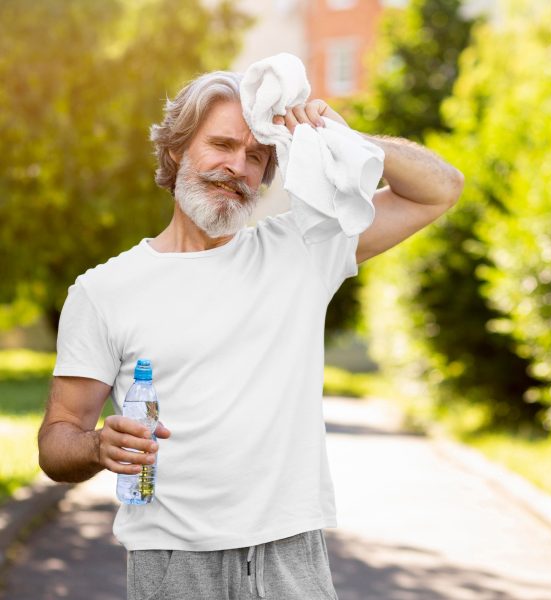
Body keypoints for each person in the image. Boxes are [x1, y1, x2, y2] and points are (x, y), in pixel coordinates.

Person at [38, 68, 464, 600]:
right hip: (172, 564)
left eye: (256, 155)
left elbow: (440, 190)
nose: (236, 166)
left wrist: (344, 138)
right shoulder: (103, 291)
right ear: (175, 151)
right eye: (220, 144)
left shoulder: (301, 249)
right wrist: (99, 445)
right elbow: (57, 441)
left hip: (291, 558)